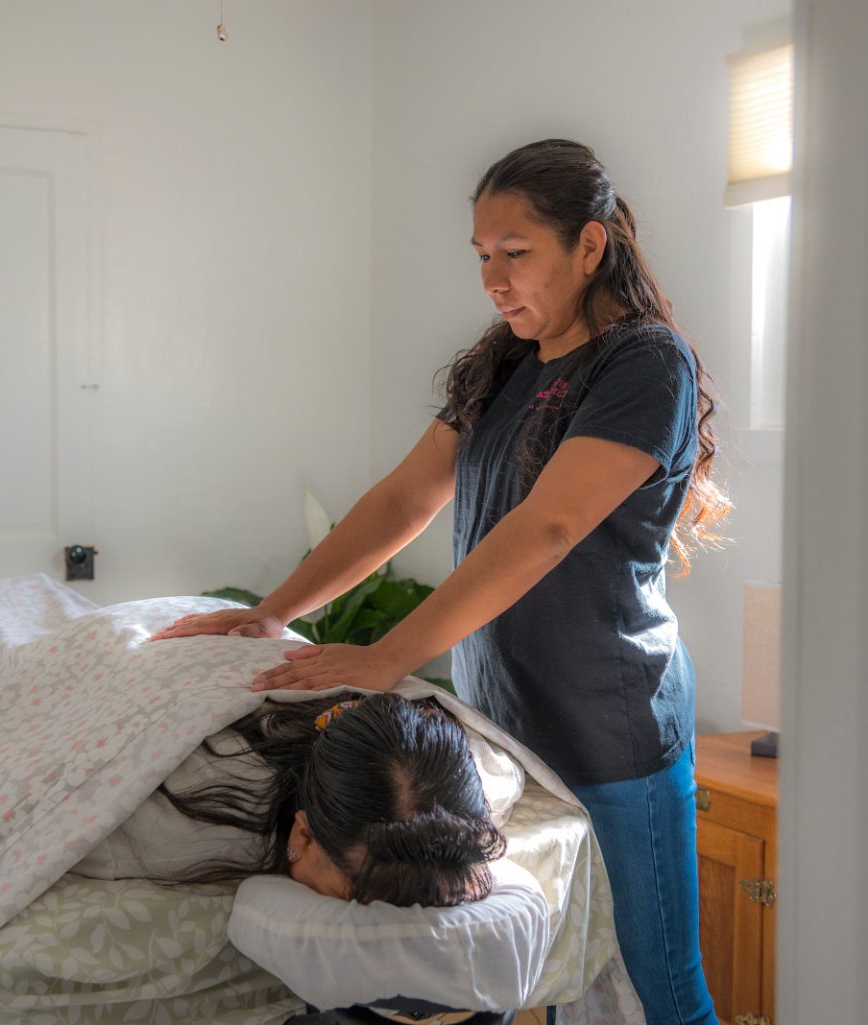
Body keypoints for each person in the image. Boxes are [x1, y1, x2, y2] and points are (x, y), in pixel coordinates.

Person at [151, 139, 729, 1023]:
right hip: (506, 728)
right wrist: (268, 615)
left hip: (613, 728)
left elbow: (551, 525)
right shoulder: (502, 362)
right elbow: (401, 500)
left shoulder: (645, 364)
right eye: (482, 256)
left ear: (589, 246)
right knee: (566, 980)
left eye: (517, 252)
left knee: (657, 985)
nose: (494, 279)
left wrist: (389, 657)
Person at [71, 691, 511, 908]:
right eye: (355, 899)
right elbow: (58, 833)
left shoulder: (484, 778)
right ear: (301, 833)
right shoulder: (184, 814)